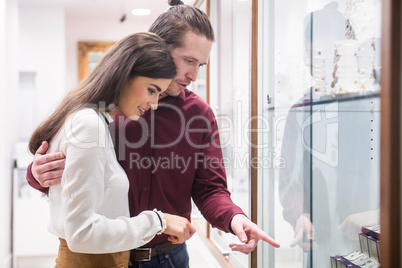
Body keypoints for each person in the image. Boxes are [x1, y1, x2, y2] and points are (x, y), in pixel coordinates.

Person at [26, 0, 280, 266]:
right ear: (158, 48)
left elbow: (210, 188)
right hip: (103, 255)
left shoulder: (199, 115)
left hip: (167, 258)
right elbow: (70, 172)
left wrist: (235, 218)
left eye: (201, 66)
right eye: (188, 61)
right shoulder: (104, 111)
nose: (193, 75)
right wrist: (37, 173)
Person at [27, 32, 195, 268]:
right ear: (125, 75)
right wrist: (158, 221)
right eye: (152, 90)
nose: (154, 104)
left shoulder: (91, 120)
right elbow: (82, 233)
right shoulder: (89, 124)